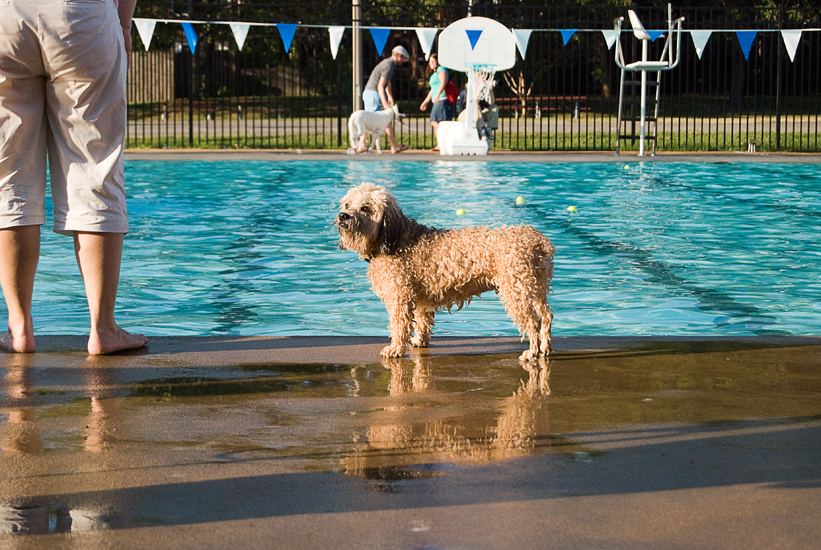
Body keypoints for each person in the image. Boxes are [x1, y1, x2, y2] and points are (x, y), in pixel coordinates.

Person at [0, 0, 148, 355]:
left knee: (9, 176)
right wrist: (124, 26)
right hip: (79, 15)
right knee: (95, 167)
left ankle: (19, 328)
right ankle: (102, 328)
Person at [359, 45, 410, 154]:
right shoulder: (389, 65)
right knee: (377, 120)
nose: (404, 61)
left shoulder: (389, 63)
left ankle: (362, 145)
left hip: (371, 93)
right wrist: (385, 104)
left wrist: (390, 96)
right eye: (404, 59)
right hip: (374, 94)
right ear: (399, 56)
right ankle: (393, 146)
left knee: (373, 119)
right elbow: (380, 86)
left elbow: (387, 83)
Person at [419, 54, 452, 152]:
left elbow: (443, 82)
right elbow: (432, 90)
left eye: (434, 61)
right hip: (437, 99)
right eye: (430, 62)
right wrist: (426, 102)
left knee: (435, 121)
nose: (431, 64)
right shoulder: (434, 73)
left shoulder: (441, 69)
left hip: (442, 99)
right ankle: (440, 144)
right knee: (437, 122)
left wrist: (437, 94)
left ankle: (447, 138)